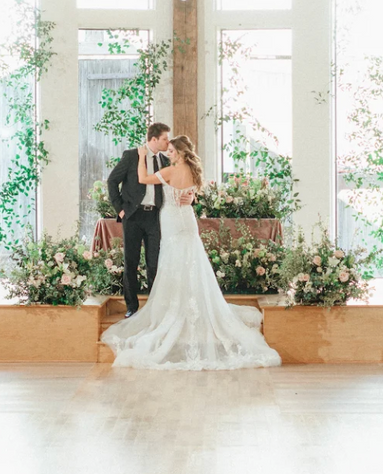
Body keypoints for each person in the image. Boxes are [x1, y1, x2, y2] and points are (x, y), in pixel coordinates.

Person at [101, 134, 281, 371]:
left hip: (171, 221)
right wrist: (192, 195)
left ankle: (176, 311)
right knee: (192, 261)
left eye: (173, 151)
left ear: (182, 153)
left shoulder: (170, 172)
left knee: (173, 262)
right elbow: (191, 192)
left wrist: (142, 157)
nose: (169, 154)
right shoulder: (194, 172)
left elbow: (143, 178)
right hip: (187, 220)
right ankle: (191, 305)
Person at [106, 123, 171, 316]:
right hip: (133, 216)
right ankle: (131, 307)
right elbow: (112, 181)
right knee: (131, 262)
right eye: (165, 138)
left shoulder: (164, 160)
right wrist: (120, 210)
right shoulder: (131, 155)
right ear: (154, 139)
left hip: (154, 217)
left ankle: (154, 307)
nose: (168, 142)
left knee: (154, 263)